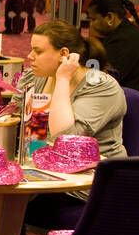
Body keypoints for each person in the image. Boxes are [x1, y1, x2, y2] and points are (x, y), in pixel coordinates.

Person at [20, 20, 126, 218]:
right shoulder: (37, 76)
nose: (30, 56)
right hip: (42, 172)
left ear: (64, 54)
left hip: (85, 184)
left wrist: (62, 79)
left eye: (38, 51)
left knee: (9, 204)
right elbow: (14, 118)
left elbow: (65, 138)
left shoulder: (101, 86)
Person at [87, 0, 139, 103]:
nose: (91, 24)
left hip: (131, 107)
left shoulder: (123, 41)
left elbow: (100, 81)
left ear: (109, 17)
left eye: (93, 19)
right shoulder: (126, 32)